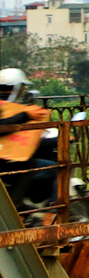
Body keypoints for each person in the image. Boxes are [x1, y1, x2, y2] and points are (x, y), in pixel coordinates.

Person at [0, 68, 55, 210]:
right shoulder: (18, 112)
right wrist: (26, 115)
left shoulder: (13, 109)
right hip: (6, 164)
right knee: (56, 168)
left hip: (8, 158)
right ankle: (53, 212)